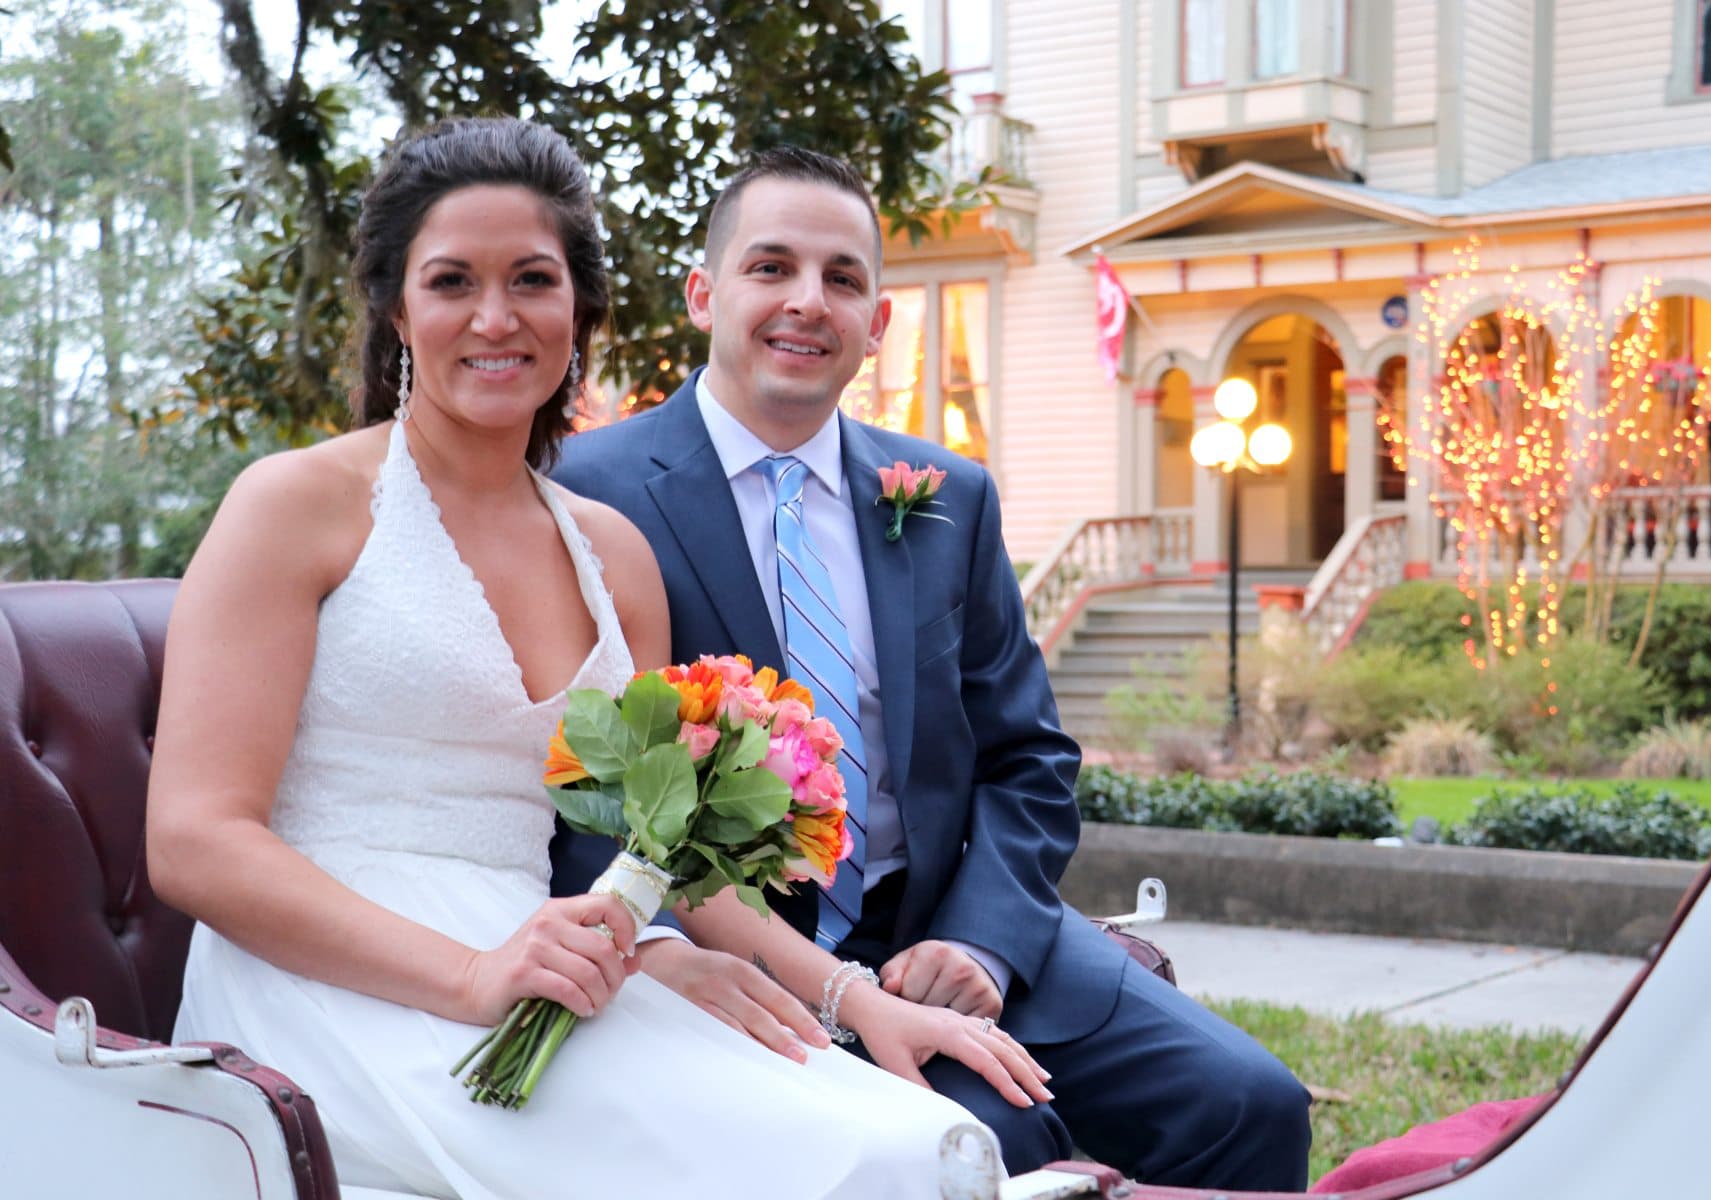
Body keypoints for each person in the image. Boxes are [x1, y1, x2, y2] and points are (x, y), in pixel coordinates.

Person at [145, 117, 1045, 1200]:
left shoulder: (612, 554)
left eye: (532, 278)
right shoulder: (297, 506)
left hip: (551, 958)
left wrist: (850, 998)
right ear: (395, 309)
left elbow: (665, 851)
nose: (495, 317)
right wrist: (475, 976)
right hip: (331, 984)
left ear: (580, 310)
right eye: (450, 282)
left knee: (917, 1145)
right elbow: (195, 842)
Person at [552, 145, 1315, 1192]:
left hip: (957, 930)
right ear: (703, 294)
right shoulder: (587, 491)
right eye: (770, 268)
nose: (806, 302)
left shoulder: (946, 497)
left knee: (1250, 1106)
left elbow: (1030, 757)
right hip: (736, 953)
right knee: (999, 1141)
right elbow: (566, 789)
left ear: (879, 325)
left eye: (844, 279)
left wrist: (983, 946)